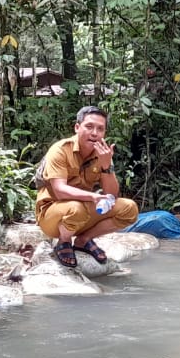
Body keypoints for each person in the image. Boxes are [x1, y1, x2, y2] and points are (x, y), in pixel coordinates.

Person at [34, 105, 139, 267]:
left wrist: (106, 167)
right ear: (77, 127)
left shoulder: (102, 154)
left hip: (82, 211)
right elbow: (60, 191)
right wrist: (92, 196)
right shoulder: (60, 150)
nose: (95, 133)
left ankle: (83, 240)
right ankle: (64, 241)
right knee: (76, 209)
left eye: (100, 129)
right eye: (89, 127)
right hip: (52, 215)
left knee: (129, 209)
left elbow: (111, 195)